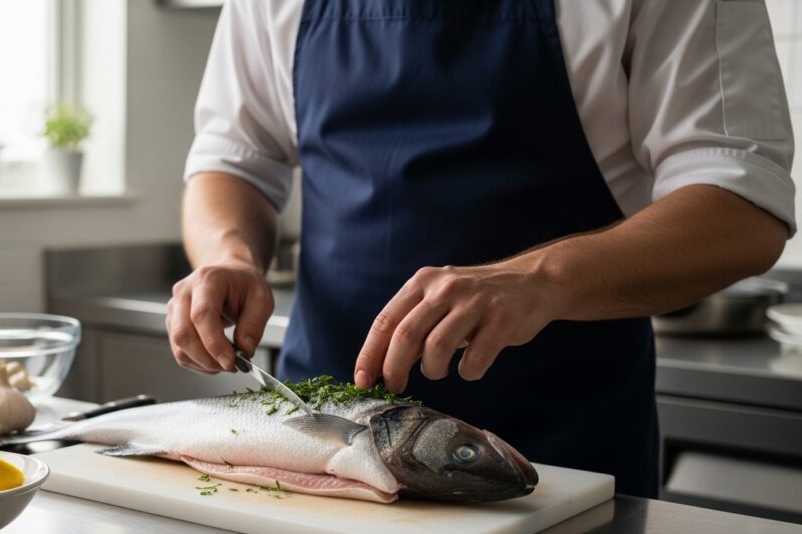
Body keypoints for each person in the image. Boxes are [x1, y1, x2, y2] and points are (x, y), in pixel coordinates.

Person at [166, 0, 795, 498]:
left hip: (559, 460)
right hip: (323, 441)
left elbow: (740, 204)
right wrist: (229, 255)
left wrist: (537, 280)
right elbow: (235, 161)